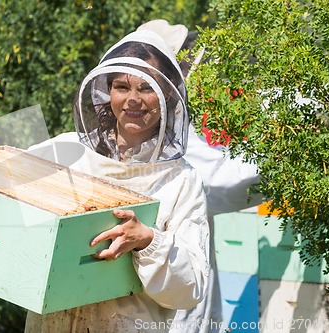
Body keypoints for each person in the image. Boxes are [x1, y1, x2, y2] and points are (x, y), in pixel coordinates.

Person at [25, 29, 211, 332]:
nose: (133, 100)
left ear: (166, 95)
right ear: (106, 91)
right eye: (121, 87)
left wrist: (149, 241)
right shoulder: (65, 153)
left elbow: (190, 288)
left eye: (146, 88)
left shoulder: (182, 181)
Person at [137, 20, 263, 333]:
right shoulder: (166, 132)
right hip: (165, 292)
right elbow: (223, 182)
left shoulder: (159, 123)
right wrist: (287, 165)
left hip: (175, 280)